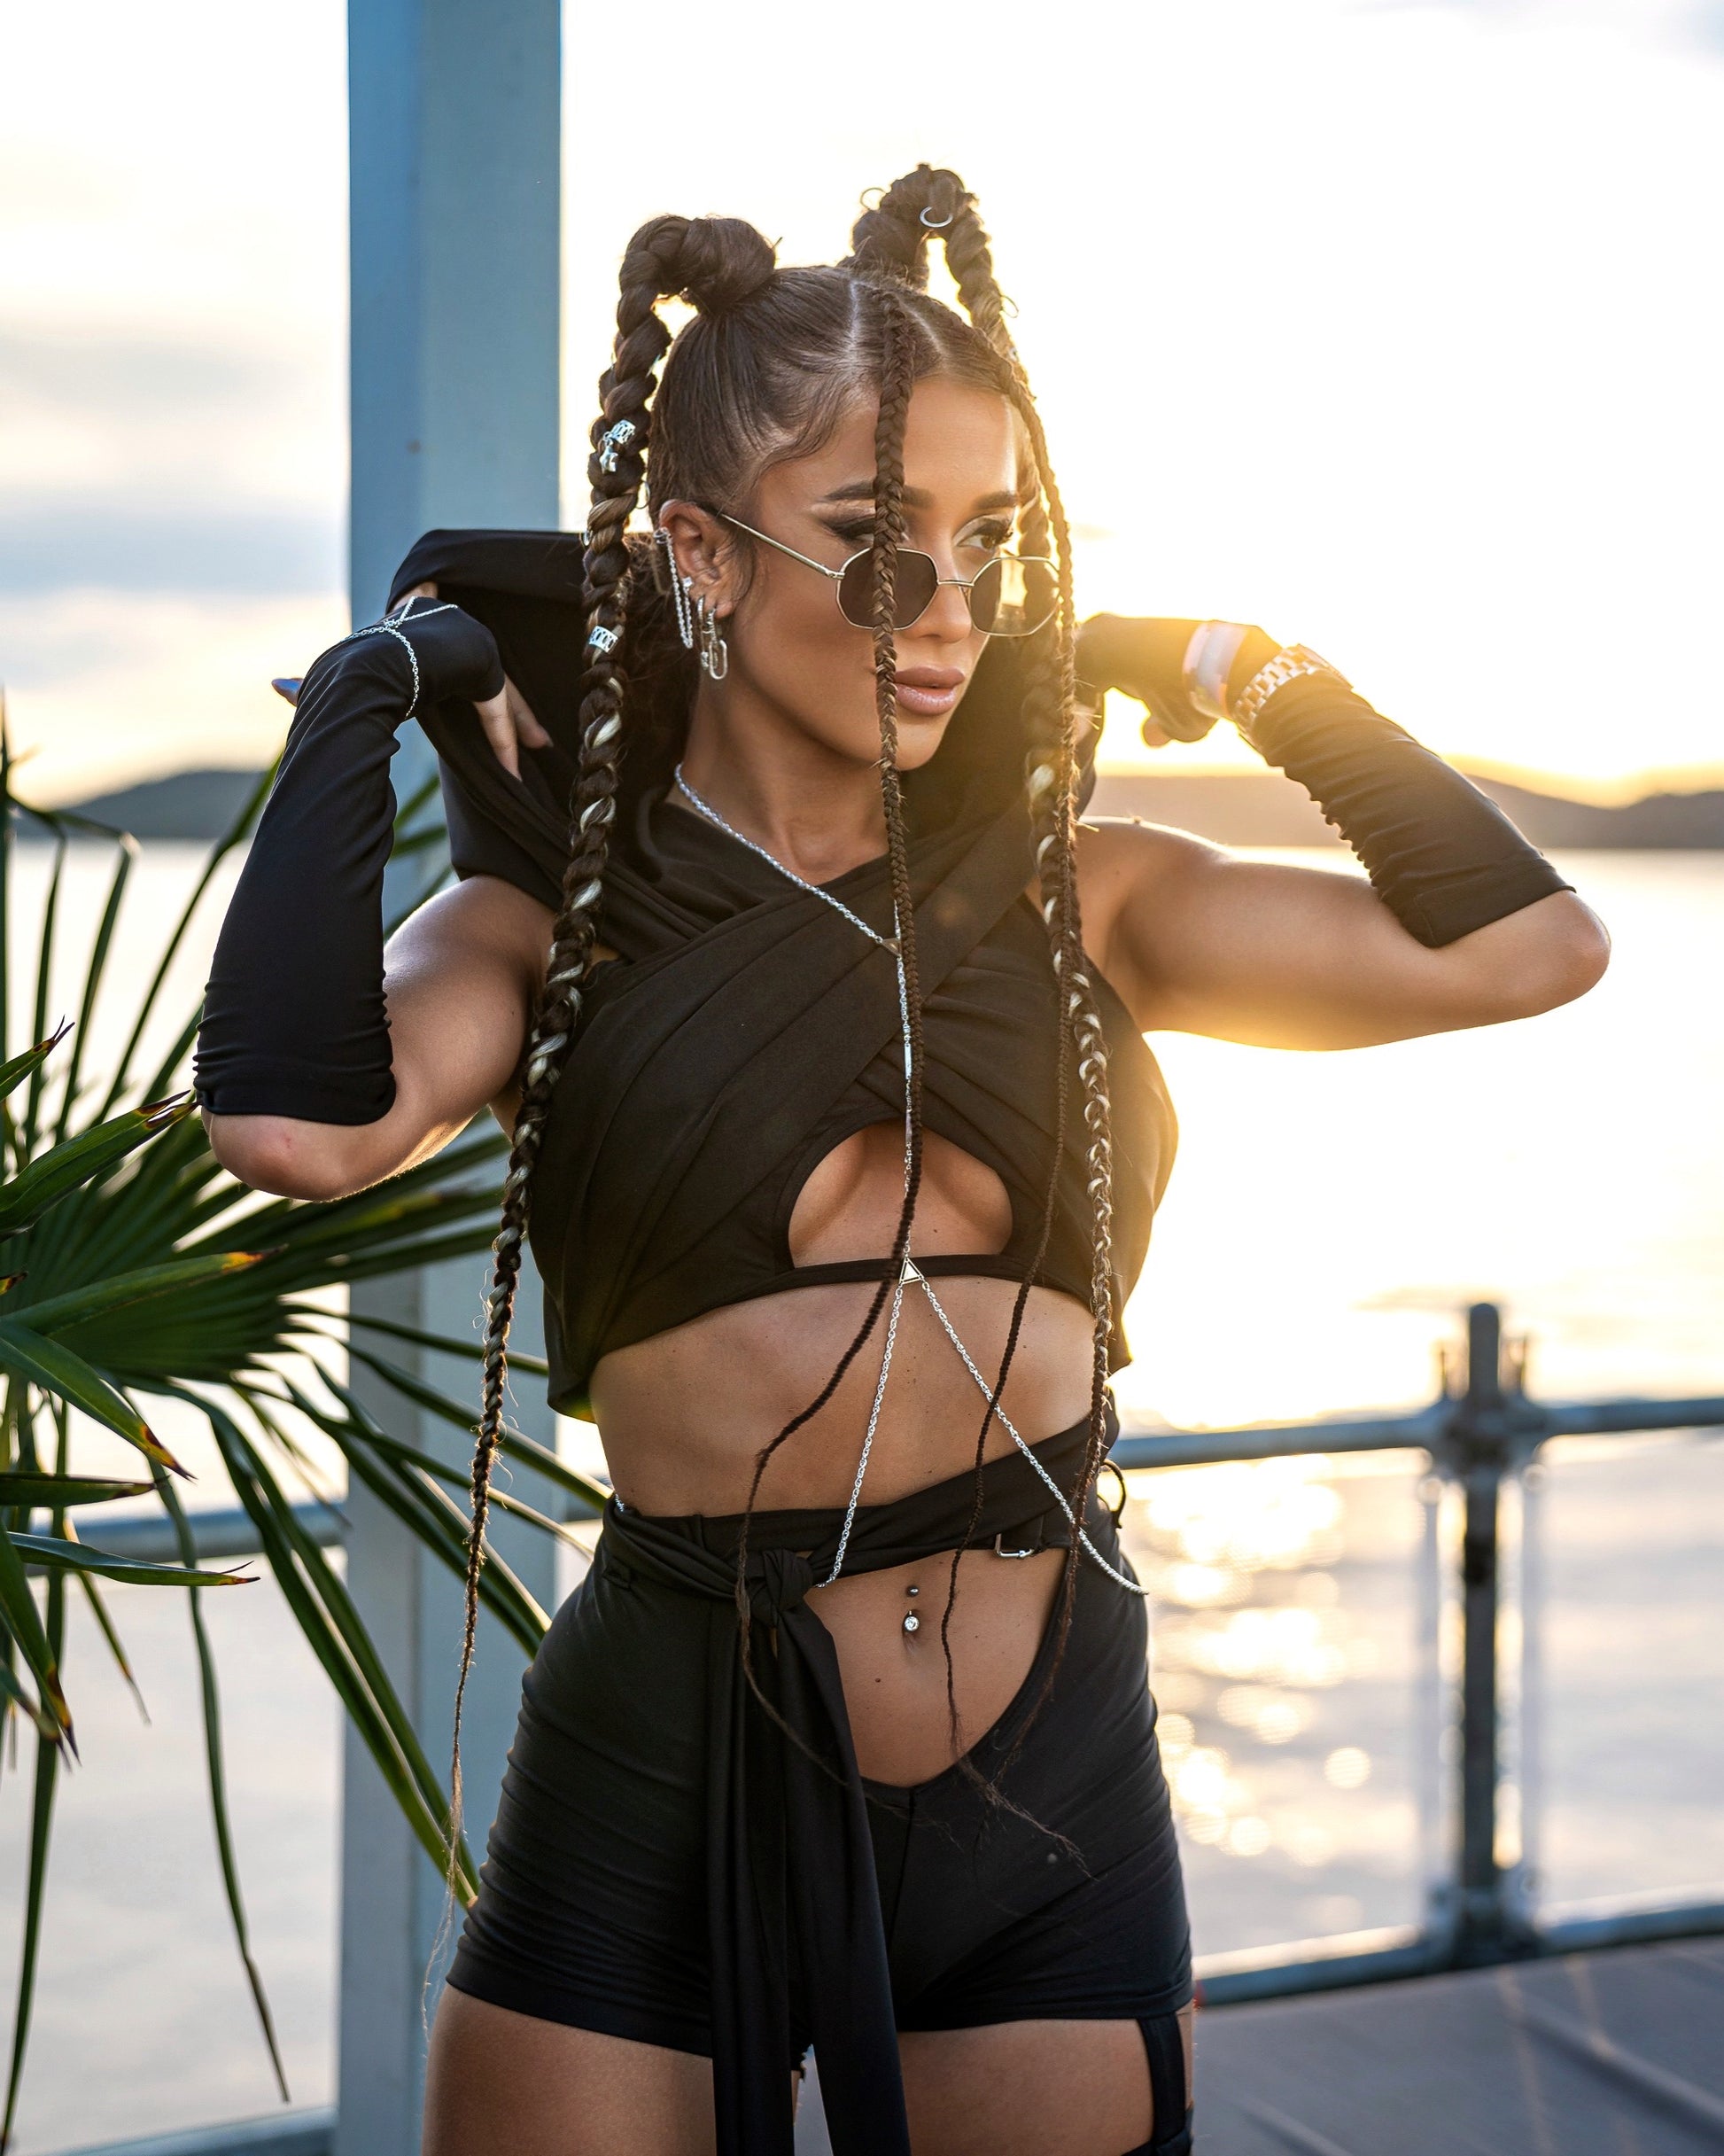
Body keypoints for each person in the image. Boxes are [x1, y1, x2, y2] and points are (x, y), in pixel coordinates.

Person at [195, 166, 1608, 2156]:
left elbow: (1530, 946)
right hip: (666, 1751)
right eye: (877, 552)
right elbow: (293, 1120)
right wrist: (376, 695)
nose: (944, 616)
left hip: (1049, 1761)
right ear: (700, 547)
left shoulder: (1085, 897)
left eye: (991, 552)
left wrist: (1232, 663)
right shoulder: (547, 934)